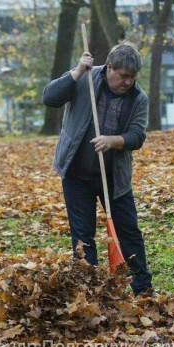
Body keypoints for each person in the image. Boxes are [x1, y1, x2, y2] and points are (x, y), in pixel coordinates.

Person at [42, 40, 153, 296]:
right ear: (110, 68)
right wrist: (77, 71)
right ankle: (89, 293)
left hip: (114, 178)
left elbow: (137, 136)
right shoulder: (84, 78)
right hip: (76, 174)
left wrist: (112, 141)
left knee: (129, 232)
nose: (128, 82)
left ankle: (143, 289)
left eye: (133, 77)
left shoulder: (138, 97)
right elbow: (49, 98)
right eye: (124, 76)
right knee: (83, 236)